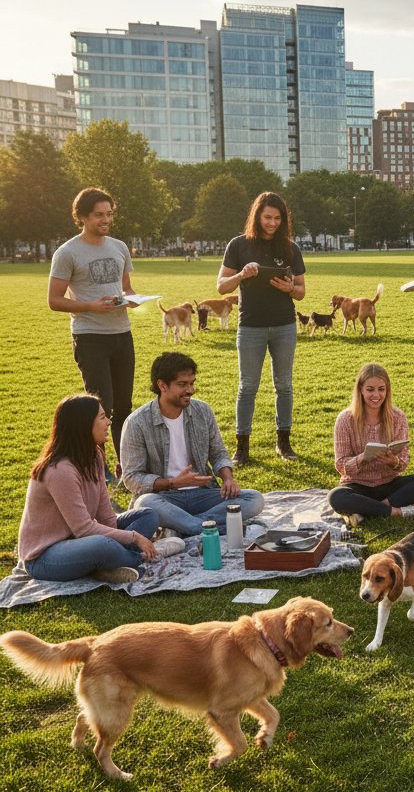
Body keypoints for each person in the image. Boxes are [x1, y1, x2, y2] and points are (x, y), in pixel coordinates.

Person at [48, 188, 144, 475]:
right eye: (99, 215)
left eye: (109, 214)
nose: (106, 220)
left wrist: (133, 299)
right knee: (101, 408)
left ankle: (126, 466)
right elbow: (54, 300)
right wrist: (91, 305)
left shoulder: (119, 247)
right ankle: (97, 469)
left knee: (124, 405)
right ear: (82, 217)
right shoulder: (67, 252)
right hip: (90, 336)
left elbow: (126, 288)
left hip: (122, 334)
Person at [18, 394, 160, 584]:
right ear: (84, 425)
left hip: (80, 541)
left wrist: (121, 538)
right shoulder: (60, 471)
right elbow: (84, 529)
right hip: (45, 557)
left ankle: (108, 563)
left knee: (148, 515)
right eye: (102, 417)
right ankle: (140, 558)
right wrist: (134, 537)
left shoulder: (94, 456)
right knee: (101, 545)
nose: (108, 422)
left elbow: (105, 515)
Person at [120, 352, 264, 536]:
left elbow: (218, 453)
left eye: (192, 383)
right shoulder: (137, 422)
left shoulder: (202, 411)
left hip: (203, 493)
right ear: (162, 385)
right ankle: (207, 526)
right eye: (182, 384)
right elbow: (132, 478)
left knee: (254, 498)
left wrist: (228, 478)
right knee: (145, 503)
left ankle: (187, 525)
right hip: (164, 497)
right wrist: (172, 483)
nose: (190, 390)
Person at [216, 191, 306, 464]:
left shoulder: (290, 248)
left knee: (284, 385)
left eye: (278, 218)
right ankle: (242, 447)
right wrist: (242, 274)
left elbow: (301, 291)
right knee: (247, 387)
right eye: (267, 217)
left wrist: (290, 288)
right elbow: (221, 287)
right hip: (251, 326)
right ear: (257, 216)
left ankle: (284, 443)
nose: (272, 223)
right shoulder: (238, 245)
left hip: (284, 325)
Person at [329, 362, 414, 521]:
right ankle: (397, 511)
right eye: (370, 389)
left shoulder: (398, 417)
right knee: (336, 497)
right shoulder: (345, 419)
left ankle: (369, 509)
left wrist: (392, 461)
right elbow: (341, 466)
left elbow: (403, 462)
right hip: (357, 485)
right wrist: (363, 458)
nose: (376, 395)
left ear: (387, 390)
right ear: (360, 389)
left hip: (390, 484)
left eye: (381, 389)